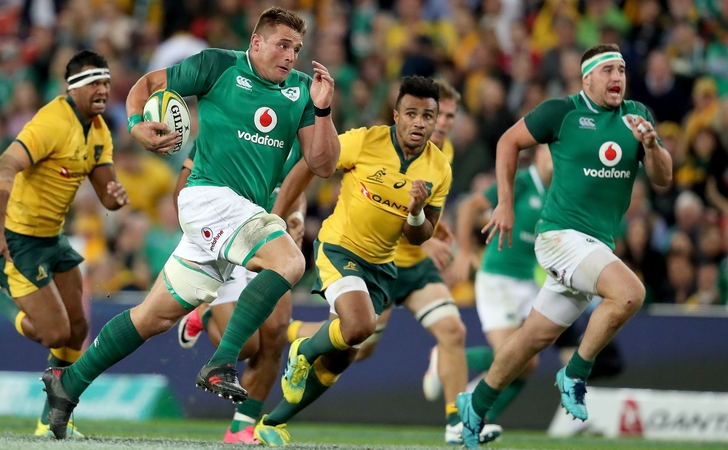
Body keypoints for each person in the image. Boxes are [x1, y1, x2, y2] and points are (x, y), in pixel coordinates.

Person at [40, 6, 340, 440]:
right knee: (290, 262)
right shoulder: (217, 65)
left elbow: (323, 164)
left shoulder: (300, 92)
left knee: (152, 317)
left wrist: (325, 111)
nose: (291, 56)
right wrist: (140, 124)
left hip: (239, 216)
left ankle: (67, 382)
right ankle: (222, 361)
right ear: (256, 43)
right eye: (281, 45)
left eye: (296, 48)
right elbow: (148, 85)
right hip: (207, 197)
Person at [455, 43, 672, 449]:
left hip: (594, 245)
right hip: (559, 237)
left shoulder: (637, 116)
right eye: (608, 70)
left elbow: (663, 178)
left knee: (532, 338)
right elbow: (507, 142)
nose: (617, 77)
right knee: (630, 293)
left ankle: (475, 404)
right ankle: (574, 373)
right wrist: (503, 202)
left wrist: (653, 146)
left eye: (622, 69)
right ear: (586, 77)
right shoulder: (562, 112)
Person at [287, 79, 498, 445]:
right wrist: (290, 208)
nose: (439, 122)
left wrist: (431, 230)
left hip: (414, 267)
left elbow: (421, 213)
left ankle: (455, 422)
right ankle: (287, 334)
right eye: (432, 114)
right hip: (377, 264)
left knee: (453, 331)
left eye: (444, 115)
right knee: (357, 345)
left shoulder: (439, 160)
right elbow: (366, 185)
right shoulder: (379, 142)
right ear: (400, 114)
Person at [252, 76, 452, 446]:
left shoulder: (438, 169)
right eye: (411, 113)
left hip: (382, 265)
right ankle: (302, 348)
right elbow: (311, 163)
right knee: (359, 326)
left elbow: (421, 237)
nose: (420, 122)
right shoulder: (365, 140)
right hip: (340, 248)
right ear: (396, 115)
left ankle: (272, 423)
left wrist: (416, 213)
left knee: (344, 358)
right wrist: (277, 218)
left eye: (428, 115)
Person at [0, 50, 128, 438]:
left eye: (106, 82)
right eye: (94, 83)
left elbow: (105, 190)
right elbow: (3, 165)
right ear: (73, 88)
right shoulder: (52, 122)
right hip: (20, 238)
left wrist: (114, 195)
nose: (103, 89)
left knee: (78, 329)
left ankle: (50, 419)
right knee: (55, 334)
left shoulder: (100, 130)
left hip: (53, 236)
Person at [174, 139, 307, 444]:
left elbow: (298, 186)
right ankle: (203, 313)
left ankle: (241, 426)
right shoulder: (229, 114)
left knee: (275, 333)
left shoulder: (299, 128)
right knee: (247, 347)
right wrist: (200, 237)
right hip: (225, 235)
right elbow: (183, 188)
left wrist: (297, 215)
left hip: (270, 237)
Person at [425, 146, 552, 429]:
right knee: (509, 355)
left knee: (527, 365)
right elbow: (470, 205)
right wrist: (464, 251)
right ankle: (447, 358)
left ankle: (478, 411)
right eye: (553, 152)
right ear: (542, 154)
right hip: (498, 278)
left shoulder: (558, 193)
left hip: (527, 282)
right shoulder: (521, 181)